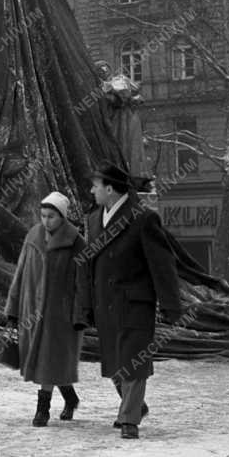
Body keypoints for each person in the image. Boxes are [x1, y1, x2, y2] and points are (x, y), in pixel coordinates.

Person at [75, 162, 182, 440]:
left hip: (136, 303)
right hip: (105, 303)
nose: (91, 191)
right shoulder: (93, 219)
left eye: (95, 186)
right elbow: (89, 265)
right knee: (114, 363)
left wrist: (171, 305)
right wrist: (85, 305)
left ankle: (129, 419)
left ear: (110, 189)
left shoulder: (143, 219)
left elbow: (163, 265)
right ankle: (136, 406)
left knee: (133, 361)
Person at [5, 191, 86, 427]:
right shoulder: (33, 237)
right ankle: (71, 399)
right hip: (32, 313)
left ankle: (42, 410)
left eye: (51, 216)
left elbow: (83, 282)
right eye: (43, 215)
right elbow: (20, 274)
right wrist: (12, 310)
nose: (46, 221)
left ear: (62, 216)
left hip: (61, 316)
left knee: (49, 360)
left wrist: (80, 314)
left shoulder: (76, 242)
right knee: (48, 362)